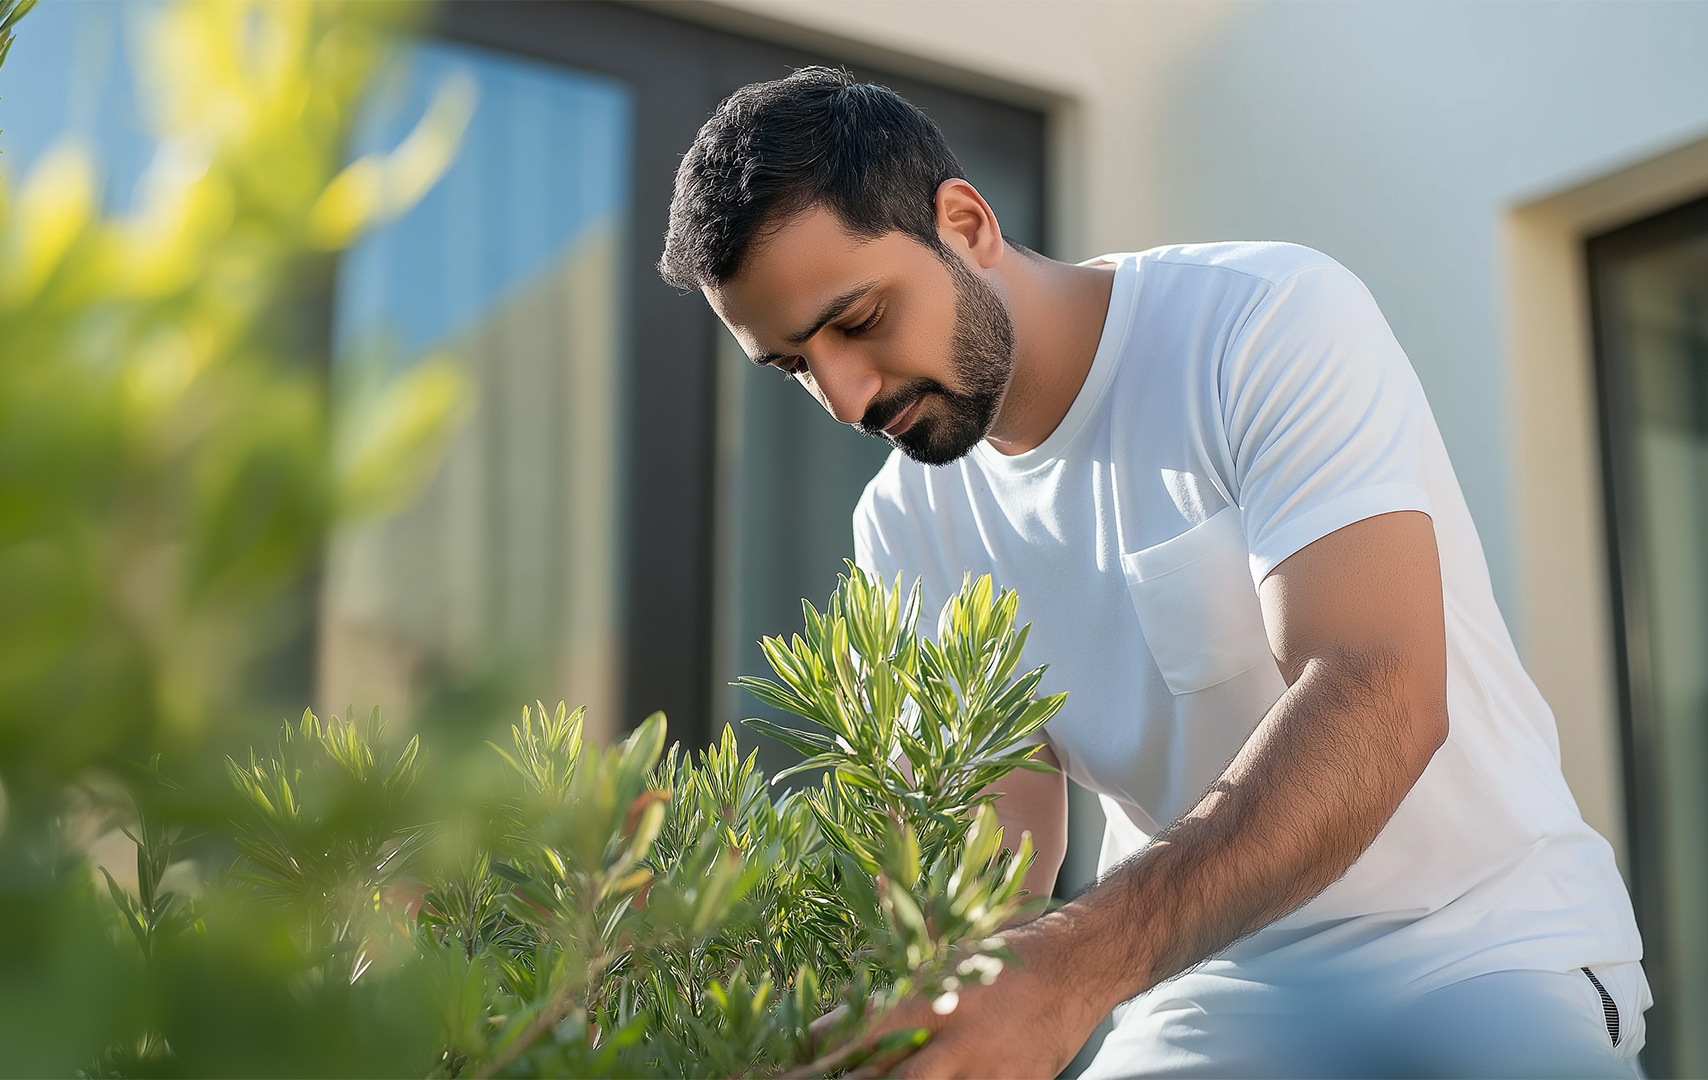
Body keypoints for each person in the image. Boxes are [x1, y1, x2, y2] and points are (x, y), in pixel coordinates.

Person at [659, 66, 1648, 1080]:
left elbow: (1379, 692)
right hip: (1207, 988)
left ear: (964, 222)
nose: (846, 395)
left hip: (1478, 952)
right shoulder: (908, 524)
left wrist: (1072, 972)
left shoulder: (1261, 324)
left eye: (859, 320)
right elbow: (988, 871)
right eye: (795, 366)